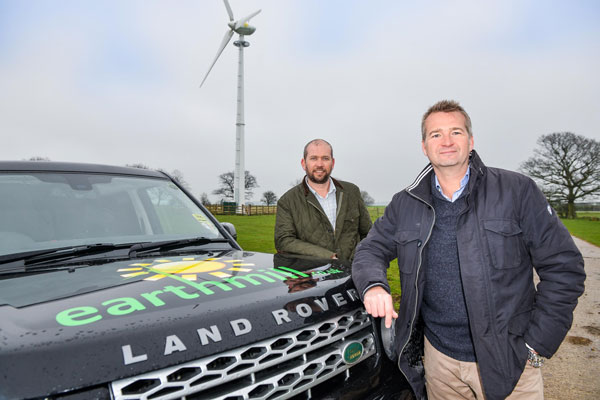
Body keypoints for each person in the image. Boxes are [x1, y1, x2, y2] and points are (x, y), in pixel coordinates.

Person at [352, 100, 585, 400]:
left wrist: (537, 343)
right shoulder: (405, 203)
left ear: (471, 141)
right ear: (424, 146)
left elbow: (564, 268)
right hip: (440, 363)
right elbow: (370, 248)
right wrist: (373, 285)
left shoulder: (517, 191)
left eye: (456, 132)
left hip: (510, 360)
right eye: (436, 134)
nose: (446, 141)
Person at [275, 138, 372, 262]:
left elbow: (368, 233)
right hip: (314, 277)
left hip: (355, 273)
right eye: (314, 158)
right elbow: (283, 241)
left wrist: (362, 260)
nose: (320, 164)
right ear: (303, 163)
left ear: (333, 162)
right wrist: (327, 256)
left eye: (325, 158)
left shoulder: (351, 192)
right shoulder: (287, 201)